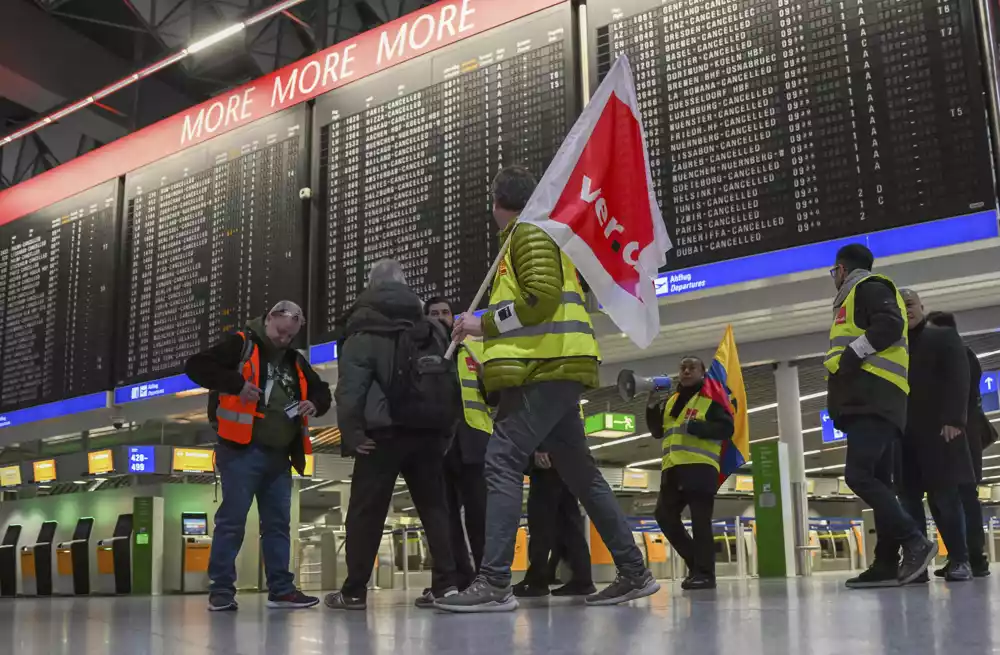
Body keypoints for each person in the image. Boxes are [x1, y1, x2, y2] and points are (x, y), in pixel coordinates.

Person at [438, 165, 658, 613]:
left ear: (497, 203)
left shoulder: (528, 235)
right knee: (582, 475)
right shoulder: (534, 236)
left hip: (544, 368)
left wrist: (484, 323)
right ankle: (635, 572)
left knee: (500, 461)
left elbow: (541, 298)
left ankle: (495, 581)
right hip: (553, 365)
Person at [325, 260, 460, 611]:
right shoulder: (432, 328)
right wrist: (445, 432)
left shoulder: (363, 328)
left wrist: (352, 433)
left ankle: (354, 591)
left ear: (370, 286)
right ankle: (446, 586)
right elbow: (450, 384)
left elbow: (351, 388)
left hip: (381, 435)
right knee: (435, 509)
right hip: (429, 433)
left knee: (366, 512)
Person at [185, 301, 330, 612]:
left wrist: (314, 405)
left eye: (290, 336)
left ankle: (281, 589)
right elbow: (196, 366)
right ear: (269, 319)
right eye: (280, 332)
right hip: (241, 451)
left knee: (278, 524)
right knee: (233, 521)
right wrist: (237, 385)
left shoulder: (294, 359)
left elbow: (323, 390)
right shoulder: (241, 344)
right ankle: (221, 591)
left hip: (280, 455)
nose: (283, 339)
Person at [826, 244, 936, 589]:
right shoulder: (853, 296)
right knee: (880, 481)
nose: (834, 278)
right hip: (872, 401)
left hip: (873, 400)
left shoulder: (868, 287)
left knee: (858, 475)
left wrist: (852, 355)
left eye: (833, 272)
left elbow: (890, 322)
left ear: (842, 269)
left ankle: (914, 541)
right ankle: (886, 562)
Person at [894, 290, 974, 581]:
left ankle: (960, 559)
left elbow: (959, 376)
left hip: (940, 432)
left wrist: (955, 419)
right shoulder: (892, 348)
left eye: (910, 305)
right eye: (900, 308)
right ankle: (918, 566)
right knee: (909, 500)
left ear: (922, 307)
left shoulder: (942, 338)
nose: (907, 311)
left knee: (945, 499)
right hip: (903, 435)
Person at [647, 356, 734, 590]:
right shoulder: (672, 400)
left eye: (692, 367)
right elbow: (657, 431)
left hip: (699, 467)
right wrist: (651, 407)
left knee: (700, 522)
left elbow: (727, 427)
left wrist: (697, 427)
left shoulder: (711, 398)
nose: (686, 371)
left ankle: (705, 574)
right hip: (672, 468)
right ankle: (697, 564)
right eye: (683, 367)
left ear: (702, 372)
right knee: (664, 516)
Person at [425, 296, 490, 591]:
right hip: (437, 446)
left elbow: (493, 396)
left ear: (454, 318)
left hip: (474, 440)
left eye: (445, 313)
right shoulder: (422, 354)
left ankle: (488, 577)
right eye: (434, 313)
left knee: (480, 516)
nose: (440, 317)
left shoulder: (474, 350)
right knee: (445, 518)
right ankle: (457, 578)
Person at [927, 310, 992, 578]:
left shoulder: (959, 355)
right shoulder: (959, 355)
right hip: (960, 436)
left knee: (961, 497)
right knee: (951, 497)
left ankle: (972, 557)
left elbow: (956, 397)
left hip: (959, 437)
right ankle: (963, 556)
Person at [513, 450, 596, 598]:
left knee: (541, 525)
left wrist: (540, 449)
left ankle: (537, 581)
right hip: (566, 465)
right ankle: (582, 579)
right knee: (569, 525)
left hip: (547, 466)